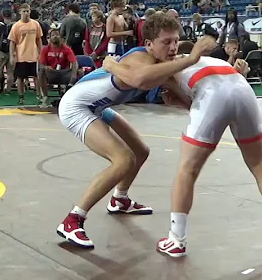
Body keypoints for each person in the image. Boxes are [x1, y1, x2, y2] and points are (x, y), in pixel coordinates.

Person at [104, 41, 262, 257]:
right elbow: (192, 98)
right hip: (241, 87)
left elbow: (141, 80)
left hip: (212, 94)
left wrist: (113, 65)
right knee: (259, 162)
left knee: (187, 170)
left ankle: (176, 239)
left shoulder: (169, 67)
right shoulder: (210, 61)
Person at [56, 13, 217, 249]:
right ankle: (72, 220)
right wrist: (192, 58)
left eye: (175, 41)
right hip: (76, 108)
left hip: (99, 108)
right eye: (166, 42)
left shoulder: (163, 65)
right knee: (122, 161)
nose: (173, 48)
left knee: (141, 151)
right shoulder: (140, 59)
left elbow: (189, 104)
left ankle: (119, 200)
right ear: (149, 44)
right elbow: (140, 80)